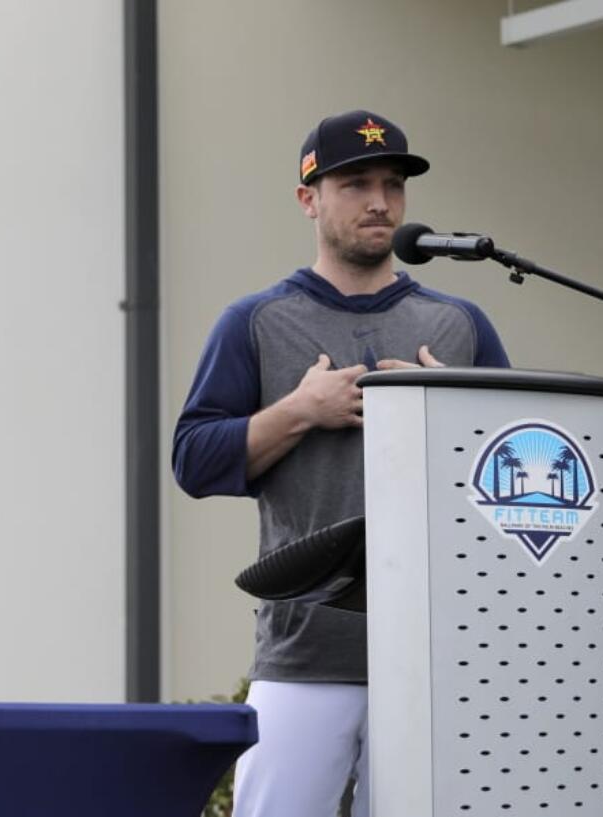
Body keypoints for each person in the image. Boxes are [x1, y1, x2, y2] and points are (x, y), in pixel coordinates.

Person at [172, 110, 509, 816]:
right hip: (306, 655)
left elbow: (508, 477)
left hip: (434, 658)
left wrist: (449, 409)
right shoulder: (256, 321)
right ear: (309, 198)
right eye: (355, 183)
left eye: (393, 184)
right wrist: (301, 409)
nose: (380, 201)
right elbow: (194, 460)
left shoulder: (460, 324)